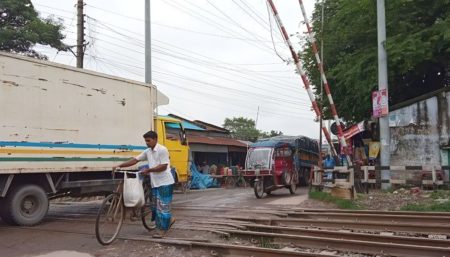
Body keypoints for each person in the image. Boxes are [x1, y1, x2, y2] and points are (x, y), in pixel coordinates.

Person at [113, 131, 175, 236]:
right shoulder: (147, 151)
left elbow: (164, 166)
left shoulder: (162, 150)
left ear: (155, 139)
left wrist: (149, 170)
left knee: (162, 207)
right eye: (145, 141)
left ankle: (162, 230)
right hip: (155, 182)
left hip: (165, 182)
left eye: (148, 140)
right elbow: (135, 160)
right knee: (155, 206)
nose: (147, 143)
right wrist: (120, 166)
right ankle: (169, 220)